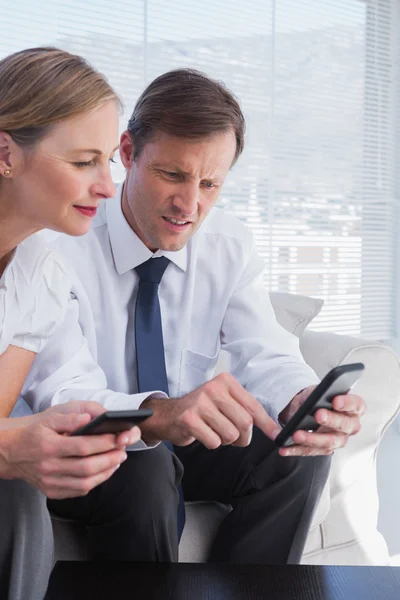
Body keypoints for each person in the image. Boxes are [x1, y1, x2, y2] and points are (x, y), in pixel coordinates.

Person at [25, 68, 365, 565]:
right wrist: (161, 415)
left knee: (292, 454)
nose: (191, 204)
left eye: (210, 183)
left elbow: (264, 347)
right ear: (127, 153)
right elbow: (61, 389)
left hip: (177, 437)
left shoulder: (227, 244)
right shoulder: (60, 243)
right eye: (173, 175)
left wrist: (301, 400)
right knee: (143, 468)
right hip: (85, 445)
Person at [0, 47, 148, 600]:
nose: (108, 186)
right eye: (84, 162)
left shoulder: (40, 267)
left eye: (109, 160)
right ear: (5, 152)